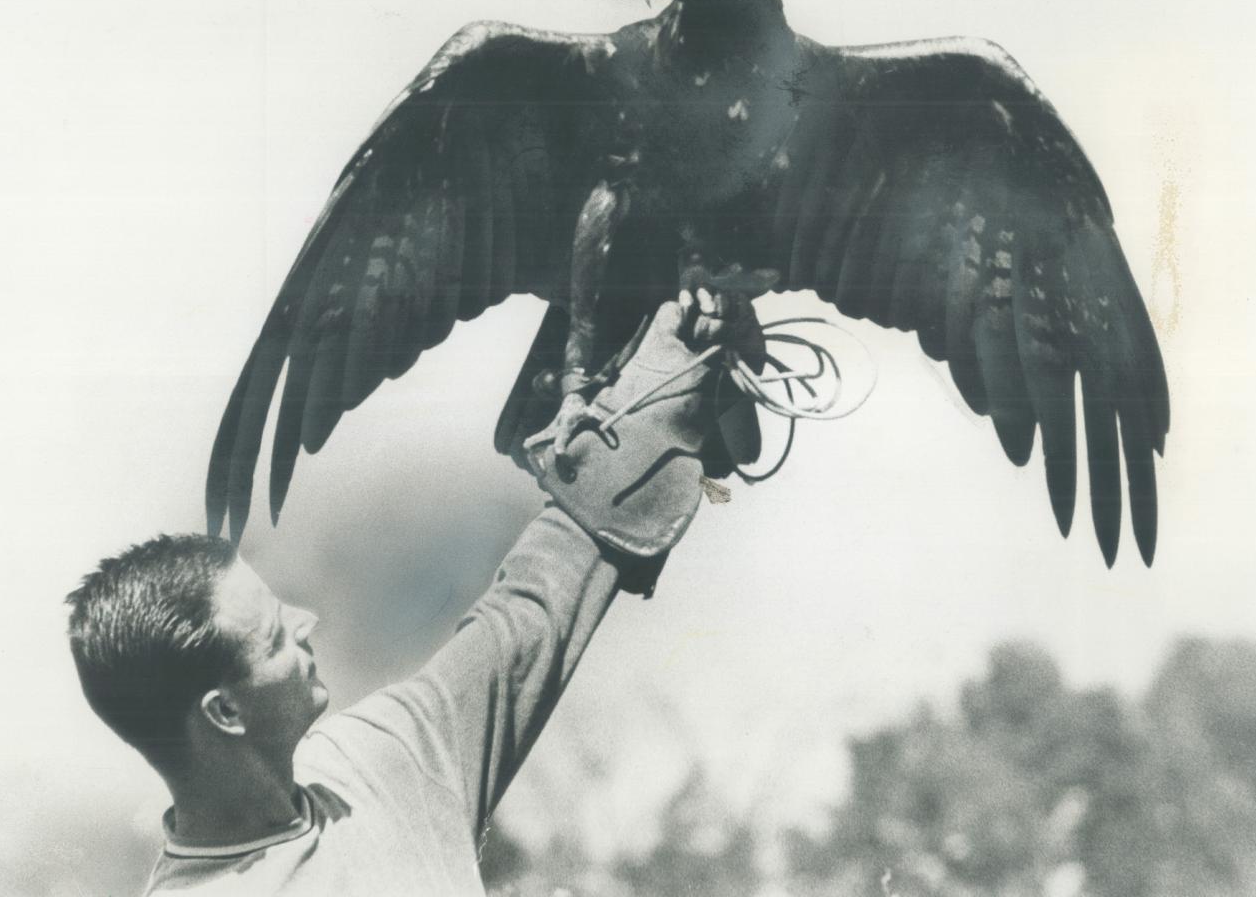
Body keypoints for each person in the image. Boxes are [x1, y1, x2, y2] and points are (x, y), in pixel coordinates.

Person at [65, 291, 759, 895]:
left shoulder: (381, 761)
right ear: (223, 711)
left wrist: (659, 388)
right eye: (274, 637)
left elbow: (522, 625)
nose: (307, 622)